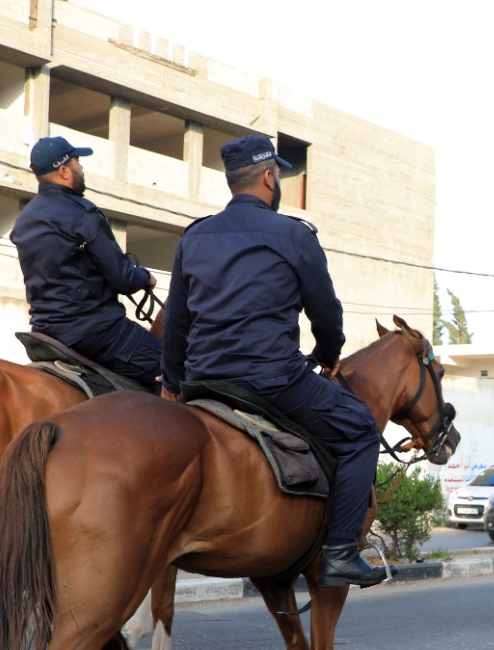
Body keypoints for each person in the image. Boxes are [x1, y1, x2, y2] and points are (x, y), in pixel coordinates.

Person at [160, 135, 384, 588]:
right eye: (277, 174)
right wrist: (327, 356)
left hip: (204, 383)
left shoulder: (194, 236)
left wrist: (174, 384)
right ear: (268, 177)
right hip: (272, 381)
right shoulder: (294, 236)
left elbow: (177, 321)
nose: (277, 180)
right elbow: (326, 312)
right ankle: (340, 551)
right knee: (361, 429)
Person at [10, 135, 162, 391]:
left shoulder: (25, 220)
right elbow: (123, 279)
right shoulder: (82, 214)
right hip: (96, 333)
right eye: (77, 162)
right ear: (64, 171)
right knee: (172, 372)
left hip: (45, 332)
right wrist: (145, 277)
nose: (81, 168)